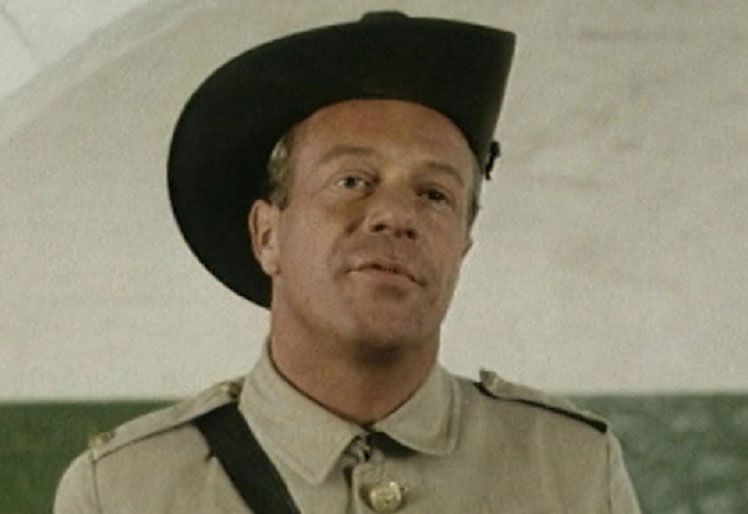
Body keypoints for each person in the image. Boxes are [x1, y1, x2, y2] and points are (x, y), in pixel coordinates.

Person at [55, 11, 641, 514]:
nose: (396, 215)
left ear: (463, 244)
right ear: (267, 235)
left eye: (434, 194)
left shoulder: (570, 470)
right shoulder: (127, 491)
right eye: (352, 180)